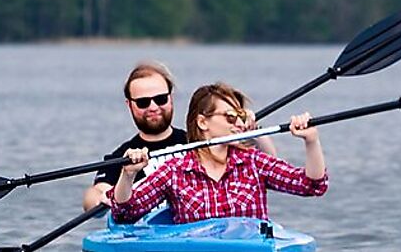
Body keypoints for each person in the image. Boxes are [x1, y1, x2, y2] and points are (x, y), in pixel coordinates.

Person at [108, 82, 327, 224]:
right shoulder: (175, 170)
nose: (237, 123)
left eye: (240, 116)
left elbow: (311, 185)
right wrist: (128, 174)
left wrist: (311, 141)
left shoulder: (253, 162)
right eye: (229, 117)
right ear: (203, 122)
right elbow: (124, 212)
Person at [83, 61, 276, 211]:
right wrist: (104, 196)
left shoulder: (201, 142)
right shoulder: (124, 157)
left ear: (170, 97)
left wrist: (255, 132)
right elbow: (93, 197)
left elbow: (269, 165)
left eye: (160, 99)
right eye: (143, 102)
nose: (153, 107)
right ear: (129, 105)